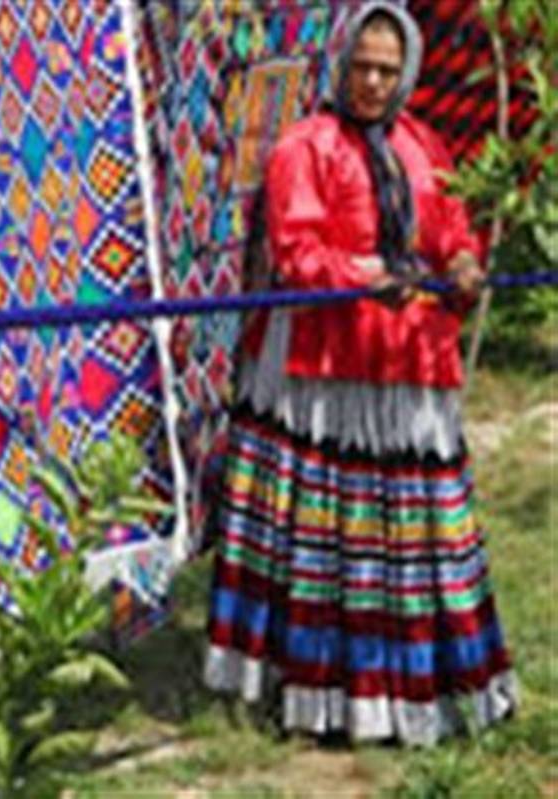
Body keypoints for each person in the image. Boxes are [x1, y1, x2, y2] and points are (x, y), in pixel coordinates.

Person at [203, 1, 517, 746]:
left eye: (387, 70)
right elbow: (298, 253)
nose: (374, 82)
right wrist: (366, 276)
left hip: (407, 356)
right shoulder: (303, 147)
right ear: (341, 64)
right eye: (363, 67)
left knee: (422, 526)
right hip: (322, 366)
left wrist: (462, 262)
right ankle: (315, 688)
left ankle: (418, 685)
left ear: (406, 73)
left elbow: (450, 229)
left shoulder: (424, 144)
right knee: (321, 530)